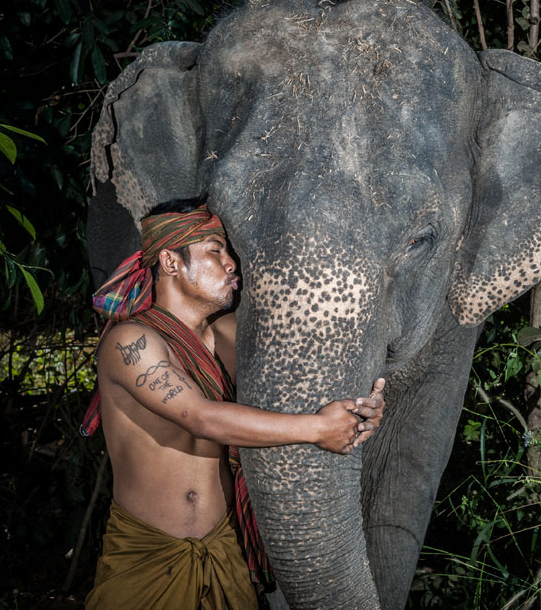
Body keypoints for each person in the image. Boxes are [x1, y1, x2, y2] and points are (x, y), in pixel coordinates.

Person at [81, 198, 386, 610]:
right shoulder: (130, 342)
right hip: (149, 552)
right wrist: (318, 429)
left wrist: (359, 409)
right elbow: (199, 417)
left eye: (229, 252)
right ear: (170, 261)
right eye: (215, 250)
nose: (231, 265)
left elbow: (301, 386)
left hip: (224, 548)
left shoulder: (230, 335)